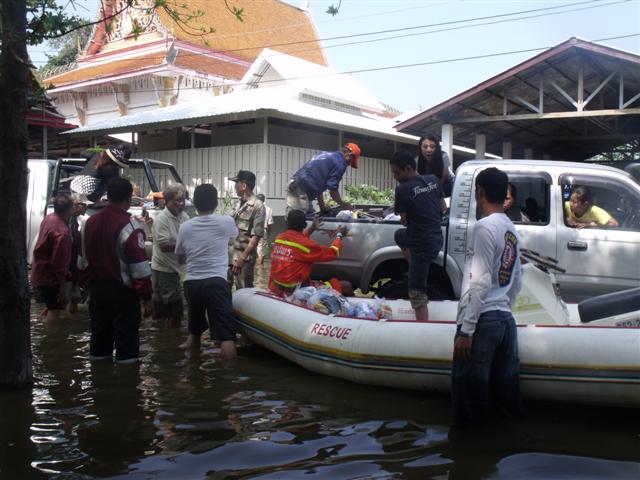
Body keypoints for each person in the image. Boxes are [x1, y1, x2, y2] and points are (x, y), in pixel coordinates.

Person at [452, 167, 524, 426]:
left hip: (482, 322)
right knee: (505, 403)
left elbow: (479, 280)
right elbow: (517, 278)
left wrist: (467, 330)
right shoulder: (511, 228)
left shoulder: (484, 227)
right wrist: (505, 307)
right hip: (505, 322)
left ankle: (469, 449)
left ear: (479, 191)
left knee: (470, 404)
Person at [78, 177, 153, 363]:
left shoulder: (89, 222)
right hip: (123, 294)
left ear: (108, 196)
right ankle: (126, 379)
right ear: (129, 199)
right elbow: (140, 267)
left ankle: (99, 378)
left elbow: (82, 260)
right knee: (127, 350)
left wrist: (84, 287)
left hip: (97, 291)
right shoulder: (131, 227)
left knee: (99, 344)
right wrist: (147, 297)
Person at [175, 184, 239, 359]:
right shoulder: (226, 221)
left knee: (194, 331)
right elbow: (234, 238)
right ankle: (229, 374)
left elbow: (180, 258)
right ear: (215, 203)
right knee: (226, 336)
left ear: (194, 203)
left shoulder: (185, 226)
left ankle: (192, 369)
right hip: (216, 282)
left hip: (191, 283)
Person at [390, 151, 445, 321]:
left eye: (396, 173)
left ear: (408, 168)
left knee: (416, 290)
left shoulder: (402, 190)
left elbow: (404, 221)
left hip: (421, 245)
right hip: (437, 239)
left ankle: (422, 327)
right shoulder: (433, 180)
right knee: (400, 236)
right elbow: (443, 207)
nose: (395, 177)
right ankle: (414, 266)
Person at [268, 210, 350, 297]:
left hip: (276, 288)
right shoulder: (306, 246)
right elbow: (333, 252)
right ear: (305, 225)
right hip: (294, 292)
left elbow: (298, 241)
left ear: (287, 223)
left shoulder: (279, 238)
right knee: (346, 285)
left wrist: (313, 227)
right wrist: (339, 235)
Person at [31, 193, 74, 322]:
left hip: (39, 271)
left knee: (52, 305)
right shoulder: (62, 233)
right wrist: (62, 286)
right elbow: (58, 263)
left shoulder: (49, 218)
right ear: (70, 209)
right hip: (50, 277)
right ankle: (50, 333)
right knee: (54, 310)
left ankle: (42, 321)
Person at [151, 184, 189, 328]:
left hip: (177, 268)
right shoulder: (162, 218)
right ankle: (169, 337)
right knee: (172, 310)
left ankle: (167, 336)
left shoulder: (184, 216)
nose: (181, 203)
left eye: (183, 200)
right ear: (167, 201)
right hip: (164, 269)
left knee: (171, 309)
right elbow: (164, 245)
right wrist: (186, 244)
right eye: (177, 200)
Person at [286, 143, 360, 215]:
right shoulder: (340, 163)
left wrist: (322, 207)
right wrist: (343, 204)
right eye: (351, 161)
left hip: (298, 185)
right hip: (300, 189)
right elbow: (333, 189)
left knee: (309, 216)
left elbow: (319, 189)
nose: (349, 164)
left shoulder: (326, 155)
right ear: (349, 154)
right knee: (297, 218)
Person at [229, 170, 265, 290]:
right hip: (229, 255)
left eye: (237, 183)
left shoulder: (258, 206)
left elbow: (256, 236)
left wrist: (242, 258)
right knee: (224, 291)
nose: (235, 186)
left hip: (244, 260)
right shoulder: (236, 204)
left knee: (244, 292)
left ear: (244, 186)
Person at [66, 195, 88, 314]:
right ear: (75, 206)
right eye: (83, 205)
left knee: (73, 298)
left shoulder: (74, 221)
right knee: (64, 300)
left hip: (73, 265)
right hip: (70, 266)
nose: (86, 207)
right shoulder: (69, 222)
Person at [256, 193, 274, 266]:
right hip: (264, 231)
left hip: (253, 231)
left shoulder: (254, 207)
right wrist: (268, 233)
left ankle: (258, 269)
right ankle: (260, 269)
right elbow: (270, 224)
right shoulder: (269, 209)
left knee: (256, 251)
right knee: (262, 252)